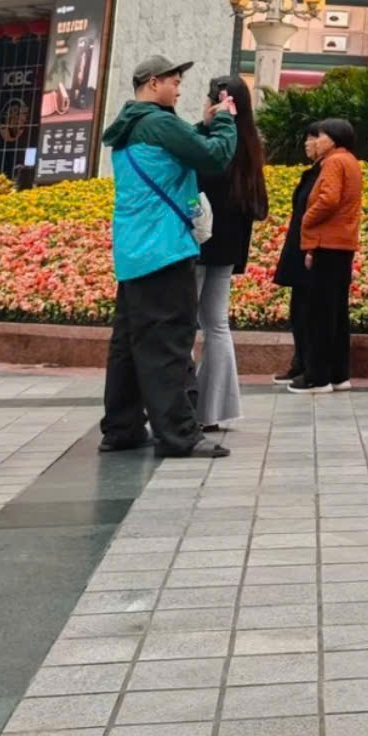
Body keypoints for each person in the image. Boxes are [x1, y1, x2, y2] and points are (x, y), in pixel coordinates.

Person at [100, 55, 236, 459]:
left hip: (134, 252)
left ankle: (122, 429)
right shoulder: (159, 122)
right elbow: (214, 157)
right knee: (169, 344)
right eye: (174, 82)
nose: (178, 90)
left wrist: (201, 126)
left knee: (128, 347)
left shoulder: (131, 125)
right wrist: (225, 122)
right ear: (153, 82)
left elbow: (175, 148)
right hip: (164, 249)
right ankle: (179, 435)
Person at [193, 76, 269, 431]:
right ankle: (212, 410)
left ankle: (178, 408)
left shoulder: (213, 141)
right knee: (216, 324)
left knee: (184, 322)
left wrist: (204, 126)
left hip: (198, 240)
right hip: (229, 245)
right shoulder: (250, 144)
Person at [289, 118, 362, 394]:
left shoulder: (333, 162)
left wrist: (306, 219)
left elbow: (328, 199)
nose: (315, 141)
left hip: (326, 243)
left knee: (319, 313)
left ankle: (317, 377)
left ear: (333, 139)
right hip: (342, 244)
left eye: (319, 136)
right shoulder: (350, 161)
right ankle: (339, 374)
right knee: (337, 312)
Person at [273, 124, 323, 387]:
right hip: (298, 246)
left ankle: (308, 366)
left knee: (307, 310)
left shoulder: (325, 173)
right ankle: (299, 362)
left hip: (309, 249)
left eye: (313, 138)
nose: (307, 143)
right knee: (298, 309)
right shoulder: (312, 173)